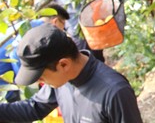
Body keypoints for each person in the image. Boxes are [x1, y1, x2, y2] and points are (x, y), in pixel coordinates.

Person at [0, 24, 143, 122]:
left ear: (63, 64)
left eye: (41, 75)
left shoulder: (114, 92)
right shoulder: (63, 79)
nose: (39, 82)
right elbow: (34, 108)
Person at [0, 3, 71, 103]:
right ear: (55, 21)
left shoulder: (26, 25)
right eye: (63, 26)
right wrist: (28, 80)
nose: (63, 31)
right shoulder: (38, 31)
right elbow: (14, 54)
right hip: (5, 85)